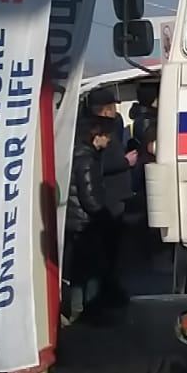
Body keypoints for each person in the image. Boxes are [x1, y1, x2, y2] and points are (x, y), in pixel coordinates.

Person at [87, 90, 136, 308]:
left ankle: (110, 291)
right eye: (113, 107)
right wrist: (125, 162)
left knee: (115, 248)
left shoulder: (110, 127)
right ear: (106, 109)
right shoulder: (96, 130)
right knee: (108, 250)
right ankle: (103, 297)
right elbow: (98, 165)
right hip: (109, 197)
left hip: (116, 196)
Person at [63, 117, 112, 324]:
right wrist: (103, 215)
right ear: (96, 137)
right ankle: (90, 309)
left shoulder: (78, 155)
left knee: (79, 270)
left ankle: (76, 309)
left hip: (75, 220)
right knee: (92, 269)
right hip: (86, 222)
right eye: (106, 136)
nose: (109, 140)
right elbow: (89, 195)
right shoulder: (87, 160)